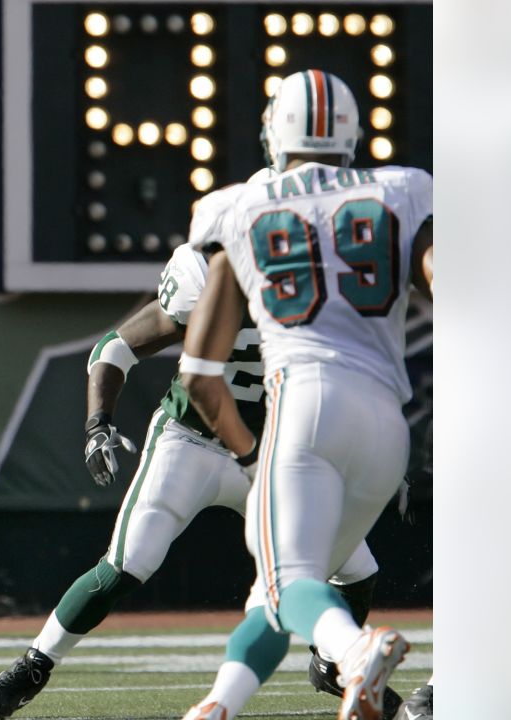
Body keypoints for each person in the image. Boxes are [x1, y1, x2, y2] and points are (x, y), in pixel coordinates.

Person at [0, 211, 399, 718]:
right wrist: (98, 423)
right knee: (129, 562)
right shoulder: (207, 276)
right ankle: (34, 663)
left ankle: (331, 665)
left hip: (271, 453)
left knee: (355, 568)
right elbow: (117, 348)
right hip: (192, 442)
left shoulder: (328, 295)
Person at [177, 69, 432, 720]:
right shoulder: (403, 191)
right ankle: (219, 706)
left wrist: (247, 458)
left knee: (290, 579)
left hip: (306, 405)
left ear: (275, 131)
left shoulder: (239, 206)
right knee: (278, 586)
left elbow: (199, 375)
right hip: (386, 425)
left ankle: (355, 650)